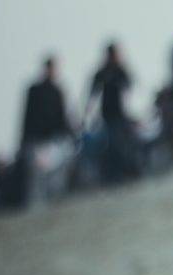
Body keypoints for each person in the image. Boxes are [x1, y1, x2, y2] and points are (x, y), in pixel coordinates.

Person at [20, 56, 75, 204]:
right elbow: (27, 116)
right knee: (38, 177)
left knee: (56, 177)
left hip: (54, 141)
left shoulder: (57, 91)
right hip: (38, 142)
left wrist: (70, 133)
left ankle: (54, 201)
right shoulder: (35, 91)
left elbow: (62, 116)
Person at [87, 42, 141, 184]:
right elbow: (93, 93)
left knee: (124, 144)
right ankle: (114, 174)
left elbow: (131, 87)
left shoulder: (121, 71)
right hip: (108, 115)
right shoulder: (102, 73)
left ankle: (126, 172)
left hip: (121, 114)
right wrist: (88, 114)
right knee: (112, 145)